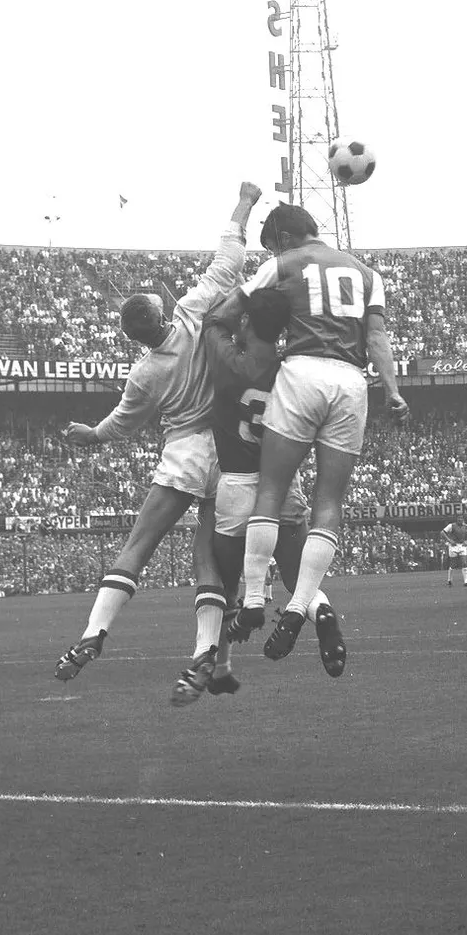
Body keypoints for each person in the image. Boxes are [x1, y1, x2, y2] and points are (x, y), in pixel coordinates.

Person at [55, 181, 263, 683]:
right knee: (209, 558)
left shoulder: (144, 374)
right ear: (158, 311)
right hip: (228, 449)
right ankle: (204, 652)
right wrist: (244, 202)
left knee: (138, 546)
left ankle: (93, 633)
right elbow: (229, 258)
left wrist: (92, 434)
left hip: (184, 451)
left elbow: (121, 424)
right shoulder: (192, 313)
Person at [225, 203, 409, 660]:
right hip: (351, 383)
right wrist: (393, 391)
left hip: (302, 371)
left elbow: (231, 308)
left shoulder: (283, 263)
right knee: (329, 503)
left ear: (284, 238)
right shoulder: (367, 273)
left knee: (271, 489)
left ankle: (251, 600)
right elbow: (377, 339)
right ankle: (300, 605)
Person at [188, 285, 347, 702]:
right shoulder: (293, 370)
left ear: (245, 321)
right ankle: (321, 612)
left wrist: (243, 292)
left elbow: (211, 321)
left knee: (222, 582)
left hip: (237, 487)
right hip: (283, 487)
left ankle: (215, 660)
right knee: (298, 580)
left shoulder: (228, 359)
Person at [441, 517, 467, 587]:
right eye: (458, 518)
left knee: (464, 563)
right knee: (453, 564)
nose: (460, 519)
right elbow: (442, 533)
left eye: (461, 518)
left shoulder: (466, 526)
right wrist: (449, 540)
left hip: (462, 545)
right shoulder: (451, 525)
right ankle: (449, 580)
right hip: (454, 545)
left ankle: (466, 581)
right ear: (456, 519)